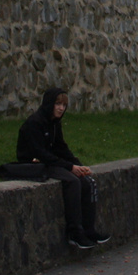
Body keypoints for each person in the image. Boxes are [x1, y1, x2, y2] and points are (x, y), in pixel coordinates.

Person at [16, 88, 109, 250]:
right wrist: (70, 167)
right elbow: (41, 153)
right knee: (72, 181)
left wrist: (77, 164)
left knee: (86, 182)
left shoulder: (54, 124)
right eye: (57, 104)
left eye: (64, 105)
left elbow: (60, 148)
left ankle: (89, 230)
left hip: (49, 161)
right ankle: (74, 233)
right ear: (49, 104)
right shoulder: (34, 123)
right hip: (34, 165)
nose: (61, 108)